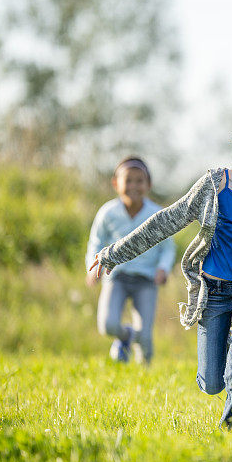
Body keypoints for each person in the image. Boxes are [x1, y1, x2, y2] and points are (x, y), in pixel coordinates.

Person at [88, 110, 232, 428]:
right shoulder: (213, 184)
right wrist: (114, 254)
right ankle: (223, 348)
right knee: (212, 383)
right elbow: (165, 221)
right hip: (213, 293)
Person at [85, 156, 175, 365]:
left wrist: (163, 268)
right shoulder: (108, 213)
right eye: (129, 180)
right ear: (116, 184)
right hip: (116, 277)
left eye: (139, 181)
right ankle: (125, 337)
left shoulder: (156, 214)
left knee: (144, 334)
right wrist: (93, 267)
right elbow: (95, 243)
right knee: (107, 325)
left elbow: (168, 248)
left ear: (149, 185)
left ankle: (146, 373)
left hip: (147, 280)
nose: (134, 186)